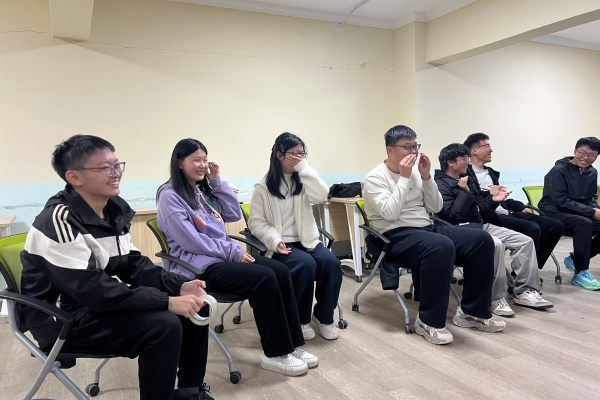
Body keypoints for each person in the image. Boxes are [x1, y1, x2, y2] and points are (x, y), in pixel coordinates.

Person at [19, 135, 213, 400]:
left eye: (117, 165)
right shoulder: (59, 220)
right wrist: (166, 301)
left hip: (91, 304)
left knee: (195, 307)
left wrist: (179, 286)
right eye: (105, 168)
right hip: (61, 320)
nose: (116, 173)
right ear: (75, 177)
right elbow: (93, 291)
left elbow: (133, 265)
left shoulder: (112, 212)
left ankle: (190, 392)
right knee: (163, 325)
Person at [156, 138, 317, 377]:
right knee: (264, 277)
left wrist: (216, 182)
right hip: (198, 267)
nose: (202, 165)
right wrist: (232, 252)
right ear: (180, 163)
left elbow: (232, 214)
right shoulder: (170, 196)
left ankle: (292, 345)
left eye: (205, 160)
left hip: (220, 257)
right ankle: (276, 354)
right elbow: (192, 242)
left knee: (281, 271)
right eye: (196, 160)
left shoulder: (200, 191)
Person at [363, 125, 505, 346]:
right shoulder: (375, 178)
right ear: (390, 150)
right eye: (407, 147)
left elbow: (435, 206)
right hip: (394, 234)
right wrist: (404, 178)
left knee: (481, 240)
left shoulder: (417, 174)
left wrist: (427, 177)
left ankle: (472, 312)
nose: (413, 151)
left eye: (415, 146)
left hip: (426, 227)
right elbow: (390, 214)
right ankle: (428, 321)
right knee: (440, 245)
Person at [435, 143, 553, 317]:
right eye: (464, 158)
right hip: (461, 230)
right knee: (495, 244)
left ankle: (525, 291)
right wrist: (464, 192)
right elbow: (453, 215)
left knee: (525, 241)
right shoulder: (440, 184)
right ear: (450, 162)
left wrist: (493, 199)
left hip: (481, 225)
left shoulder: (466, 179)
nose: (467, 162)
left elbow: (481, 207)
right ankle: (495, 298)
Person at [248, 132, 343, 341]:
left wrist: (304, 168)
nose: (299, 157)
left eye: (302, 153)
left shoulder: (304, 180)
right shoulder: (263, 187)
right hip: (282, 244)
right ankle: (300, 320)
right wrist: (275, 240)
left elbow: (321, 195)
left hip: (308, 240)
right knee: (305, 265)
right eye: (294, 153)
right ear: (279, 155)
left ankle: (324, 316)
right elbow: (256, 222)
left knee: (331, 263)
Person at [463, 133, 565, 271]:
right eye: (486, 146)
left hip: (505, 212)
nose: (491, 149)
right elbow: (476, 201)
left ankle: (531, 267)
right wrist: (490, 194)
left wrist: (520, 206)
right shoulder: (466, 174)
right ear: (474, 150)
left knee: (556, 226)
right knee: (532, 228)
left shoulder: (491, 172)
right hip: (490, 217)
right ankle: (523, 272)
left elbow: (503, 198)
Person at [538, 137, 600, 290]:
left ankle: (575, 259)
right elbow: (560, 200)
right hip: (553, 212)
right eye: (582, 153)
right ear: (575, 151)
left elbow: (591, 197)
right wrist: (591, 212)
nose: (585, 158)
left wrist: (595, 209)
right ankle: (581, 272)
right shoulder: (558, 171)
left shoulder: (592, 172)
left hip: (577, 213)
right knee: (584, 223)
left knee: (588, 222)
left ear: (597, 156)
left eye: (591, 155)